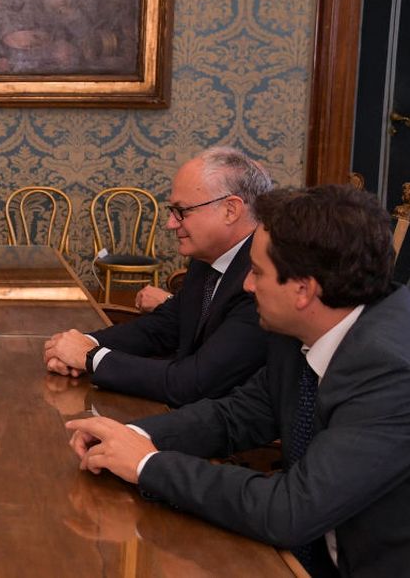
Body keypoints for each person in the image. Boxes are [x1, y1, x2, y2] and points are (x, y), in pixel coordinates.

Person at [66, 185, 410, 577]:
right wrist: (129, 435)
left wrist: (148, 464)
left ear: (303, 290)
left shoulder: (393, 371)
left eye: (258, 272)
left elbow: (290, 511)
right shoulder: (303, 325)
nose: (246, 285)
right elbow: (235, 416)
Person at [43, 147, 273, 406]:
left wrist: (91, 357)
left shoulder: (263, 280)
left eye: (182, 211)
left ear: (231, 210)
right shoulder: (206, 258)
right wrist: (86, 343)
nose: (170, 223)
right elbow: (163, 327)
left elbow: (194, 383)